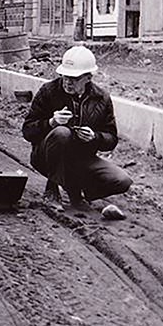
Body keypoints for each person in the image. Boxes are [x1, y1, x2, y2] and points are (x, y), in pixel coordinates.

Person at [22, 45, 132, 211]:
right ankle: (52, 190)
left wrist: (95, 137)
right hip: (45, 156)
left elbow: (111, 139)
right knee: (61, 132)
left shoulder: (101, 98)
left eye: (74, 78)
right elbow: (28, 130)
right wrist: (51, 123)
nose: (67, 82)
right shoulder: (49, 91)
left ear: (88, 77)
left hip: (81, 159)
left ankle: (76, 189)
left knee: (122, 180)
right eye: (65, 76)